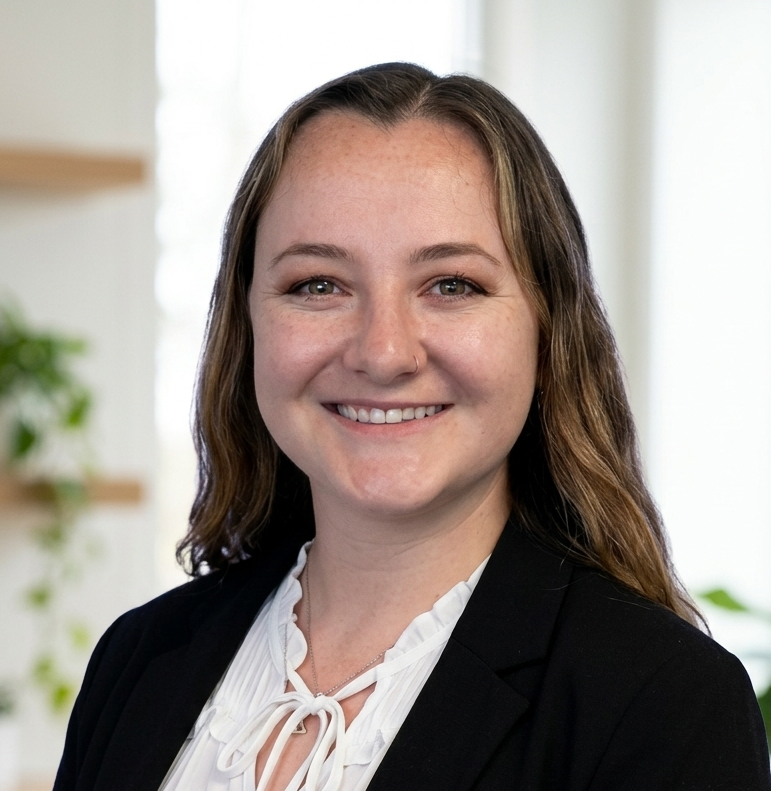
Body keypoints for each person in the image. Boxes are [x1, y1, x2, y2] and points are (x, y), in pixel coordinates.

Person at [54, 63, 770, 791]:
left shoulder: (661, 703)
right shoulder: (140, 659)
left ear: (548, 332)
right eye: (318, 285)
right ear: (247, 327)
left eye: (451, 285)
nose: (383, 352)